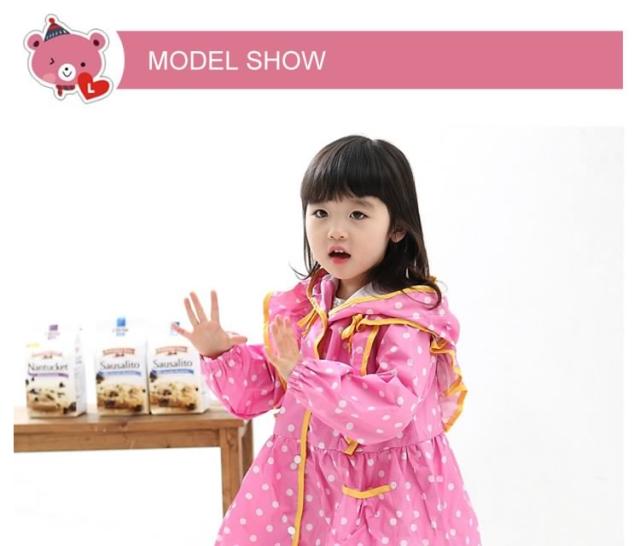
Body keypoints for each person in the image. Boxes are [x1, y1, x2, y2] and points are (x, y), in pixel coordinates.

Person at [173, 135, 482, 546]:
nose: (336, 231)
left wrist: (303, 373)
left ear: (397, 228)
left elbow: (388, 410)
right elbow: (264, 388)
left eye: (358, 214)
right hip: (305, 486)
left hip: (384, 498)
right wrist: (219, 353)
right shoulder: (306, 307)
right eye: (321, 213)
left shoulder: (404, 320)